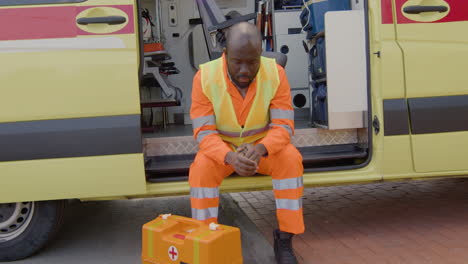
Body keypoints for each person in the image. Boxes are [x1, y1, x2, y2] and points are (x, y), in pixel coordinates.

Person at [189, 22, 304, 264]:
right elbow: (203, 133)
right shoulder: (204, 77)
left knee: (291, 159)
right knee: (200, 169)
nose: (244, 69)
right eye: (237, 61)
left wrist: (260, 149)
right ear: (225, 54)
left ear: (260, 54)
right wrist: (230, 157)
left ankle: (285, 239)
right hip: (223, 152)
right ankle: (205, 240)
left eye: (252, 62)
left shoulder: (276, 74)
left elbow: (284, 126)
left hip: (262, 150)